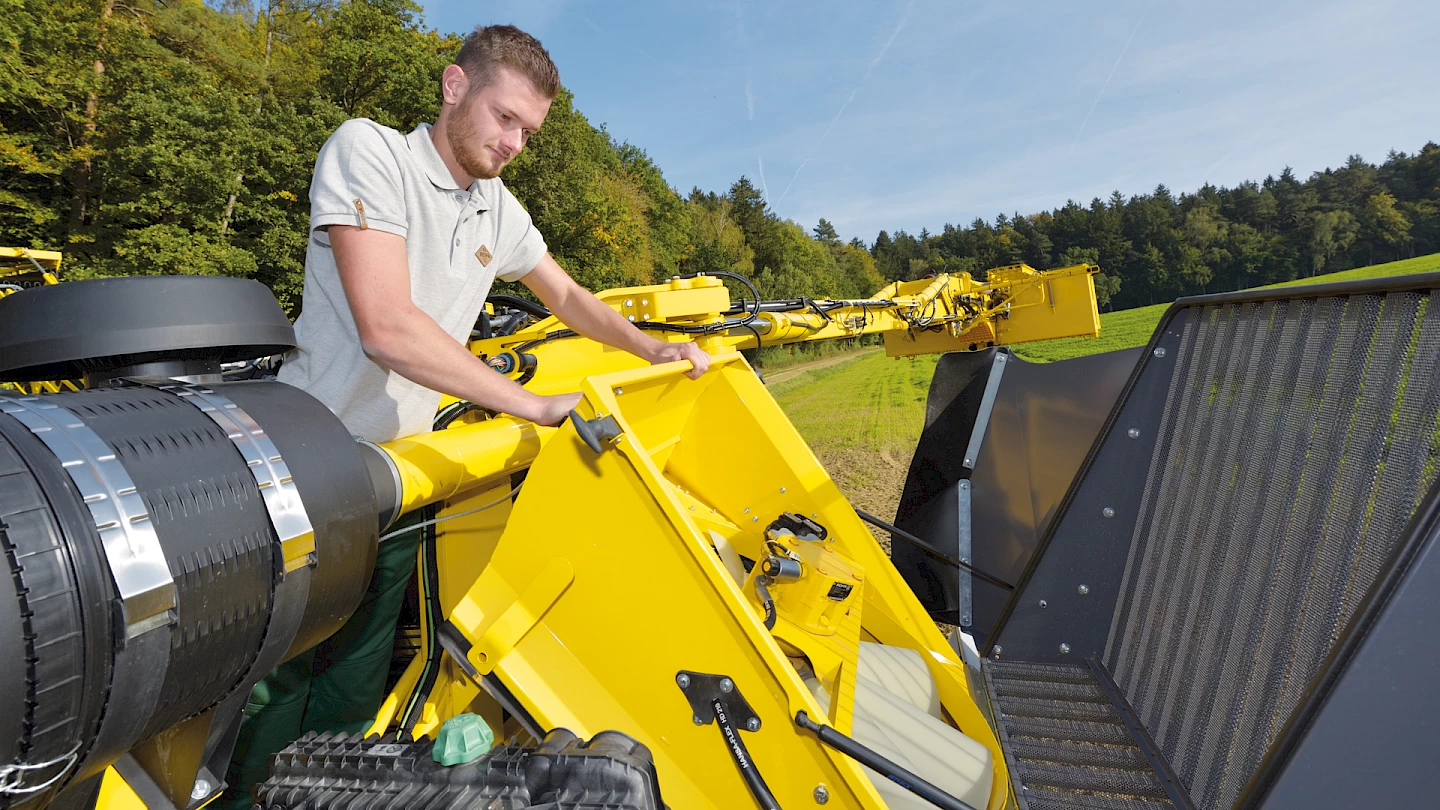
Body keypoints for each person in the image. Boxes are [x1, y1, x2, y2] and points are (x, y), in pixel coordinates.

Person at [223, 24, 709, 805]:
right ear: (455, 86)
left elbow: (571, 297)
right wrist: (531, 404)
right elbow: (387, 326)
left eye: (529, 130)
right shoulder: (371, 152)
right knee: (278, 686)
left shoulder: (497, 210)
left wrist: (651, 351)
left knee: (355, 676)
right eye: (505, 117)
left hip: (403, 478)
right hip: (314, 461)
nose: (515, 141)